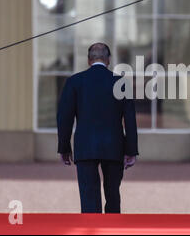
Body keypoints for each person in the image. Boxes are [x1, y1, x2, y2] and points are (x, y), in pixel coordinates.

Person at [57, 42, 138, 213]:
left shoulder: (74, 82)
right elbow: (130, 120)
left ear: (89, 60)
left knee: (89, 198)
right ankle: (112, 230)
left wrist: (64, 147)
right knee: (113, 196)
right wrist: (131, 150)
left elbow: (64, 118)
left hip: (86, 147)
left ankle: (92, 230)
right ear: (108, 60)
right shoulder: (121, 82)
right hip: (114, 147)